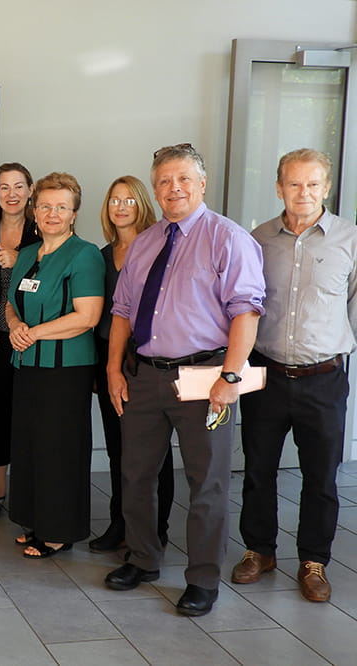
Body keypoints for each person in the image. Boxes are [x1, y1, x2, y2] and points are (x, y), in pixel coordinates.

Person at [104, 143, 264, 617]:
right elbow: (122, 311)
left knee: (207, 483)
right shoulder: (148, 241)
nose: (173, 189)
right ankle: (143, 559)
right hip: (147, 377)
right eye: (163, 182)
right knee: (135, 475)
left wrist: (230, 377)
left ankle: (202, 580)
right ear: (154, 189)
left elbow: (246, 312)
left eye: (182, 179)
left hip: (206, 378)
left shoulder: (228, 238)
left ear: (201, 183)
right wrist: (114, 368)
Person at [232, 149, 357, 602]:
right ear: (279, 186)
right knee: (258, 471)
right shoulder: (258, 239)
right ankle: (259, 550)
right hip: (265, 374)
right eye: (293, 184)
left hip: (324, 379)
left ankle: (313, 561)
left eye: (312, 184)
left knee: (321, 476)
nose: (303, 192)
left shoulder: (350, 239)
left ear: (326, 187)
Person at [6, 172, 104, 559]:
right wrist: (14, 326)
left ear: (74, 213)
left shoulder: (85, 254)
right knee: (30, 446)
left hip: (66, 370)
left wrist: (34, 333)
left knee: (59, 449)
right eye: (45, 205)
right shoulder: (29, 253)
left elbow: (88, 316)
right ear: (34, 210)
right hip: (27, 364)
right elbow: (12, 301)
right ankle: (33, 521)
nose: (52, 213)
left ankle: (59, 530)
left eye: (61, 207)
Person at [88, 176, 174, 553]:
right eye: (113, 201)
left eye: (128, 200)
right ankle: (120, 523)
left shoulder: (159, 248)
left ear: (142, 204)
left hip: (146, 359)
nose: (120, 207)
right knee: (117, 448)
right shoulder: (102, 256)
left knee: (154, 451)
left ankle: (157, 527)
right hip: (109, 358)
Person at [0, 162, 39, 521]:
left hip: (30, 336)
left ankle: (32, 489)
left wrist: (18, 259)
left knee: (30, 415)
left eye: (19, 186)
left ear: (30, 190)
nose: (12, 194)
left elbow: (54, 271)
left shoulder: (44, 226)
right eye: (4, 187)